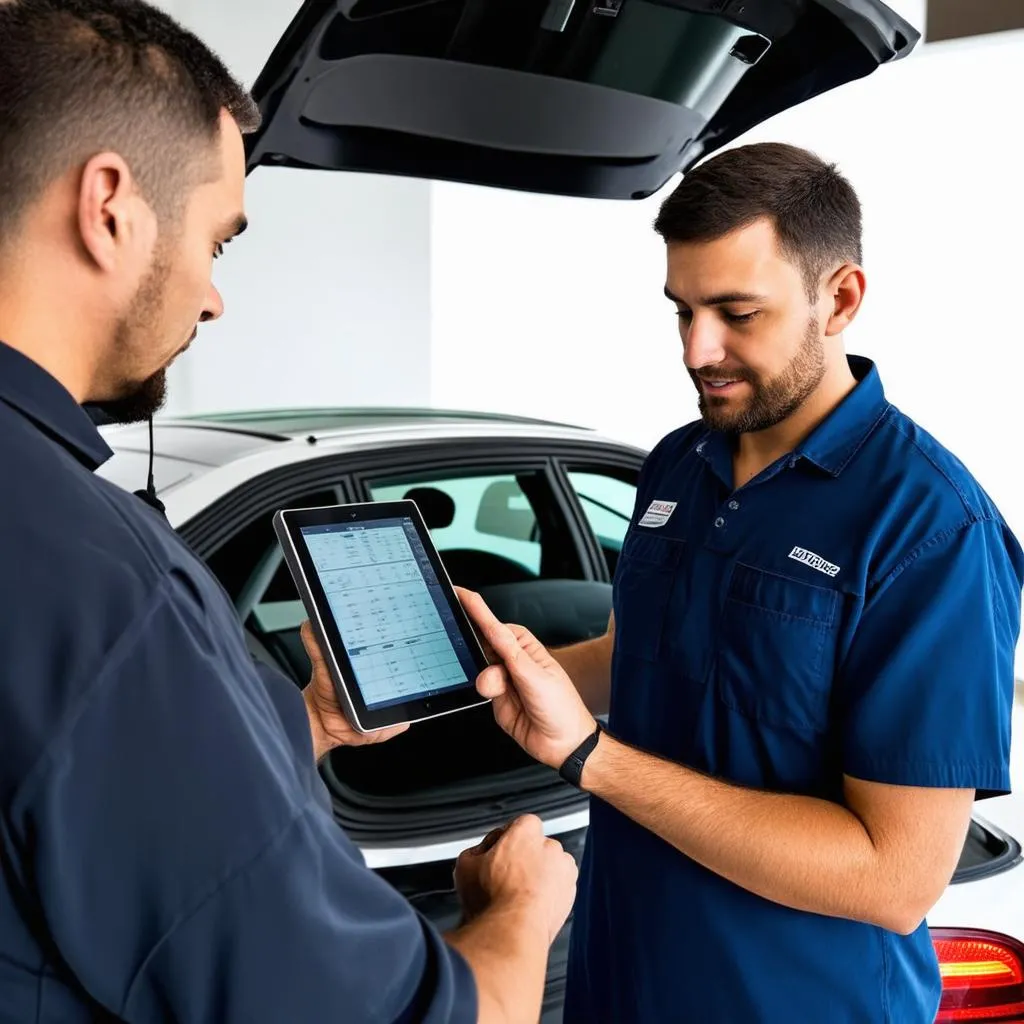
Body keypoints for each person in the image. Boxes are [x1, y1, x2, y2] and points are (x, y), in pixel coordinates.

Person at [0, 3, 577, 1022]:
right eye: (218, 239)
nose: (215, 298)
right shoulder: (103, 584)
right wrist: (519, 914)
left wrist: (299, 720)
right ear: (110, 207)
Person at [457, 142, 1024, 1023]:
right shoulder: (679, 464)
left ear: (840, 300)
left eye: (736, 313)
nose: (698, 349)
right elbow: (642, 650)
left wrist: (591, 758)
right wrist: (487, 663)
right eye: (681, 311)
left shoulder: (931, 530)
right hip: (620, 981)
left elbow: (896, 877)